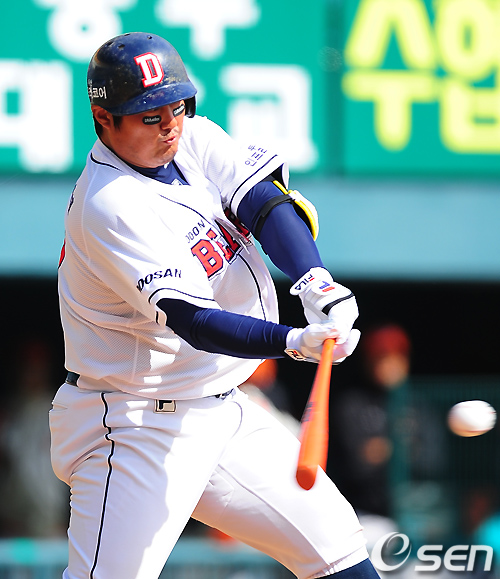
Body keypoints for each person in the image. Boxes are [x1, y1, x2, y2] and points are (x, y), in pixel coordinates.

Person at [50, 31, 378, 579]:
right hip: (132, 423)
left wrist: (316, 284)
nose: (170, 124)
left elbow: (264, 202)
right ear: (104, 119)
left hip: (220, 408)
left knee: (338, 548)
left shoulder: (192, 139)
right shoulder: (110, 204)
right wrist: (293, 342)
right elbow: (193, 321)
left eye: (176, 106)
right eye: (149, 115)